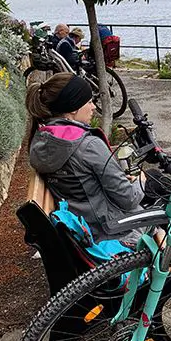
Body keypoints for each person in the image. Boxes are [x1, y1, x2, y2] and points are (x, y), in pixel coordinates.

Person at [26, 73, 146, 246]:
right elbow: (128, 199)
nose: (93, 108)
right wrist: (141, 181)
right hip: (111, 231)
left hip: (84, 227)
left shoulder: (41, 141)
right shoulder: (88, 145)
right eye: (89, 102)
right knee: (160, 188)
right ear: (73, 108)